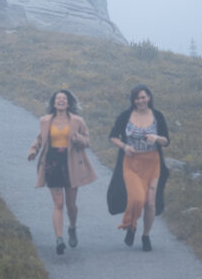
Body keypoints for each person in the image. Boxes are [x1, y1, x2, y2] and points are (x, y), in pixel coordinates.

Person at [28, 89, 97, 254]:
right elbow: (40, 138)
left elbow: (87, 141)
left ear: (68, 103)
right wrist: (33, 151)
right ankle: (59, 239)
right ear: (53, 103)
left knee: (70, 204)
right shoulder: (45, 121)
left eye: (64, 99)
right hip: (52, 163)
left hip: (71, 163)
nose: (60, 101)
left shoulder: (78, 121)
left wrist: (78, 139)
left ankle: (72, 227)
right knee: (58, 203)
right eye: (58, 98)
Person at [107, 84, 170, 251]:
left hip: (152, 163)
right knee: (137, 199)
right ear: (133, 100)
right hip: (131, 163)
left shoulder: (158, 116)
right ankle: (130, 224)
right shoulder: (126, 116)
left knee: (149, 203)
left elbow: (166, 141)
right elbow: (112, 136)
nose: (141, 101)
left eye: (144, 97)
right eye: (137, 98)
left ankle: (146, 236)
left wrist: (156, 138)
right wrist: (124, 147)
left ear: (149, 97)